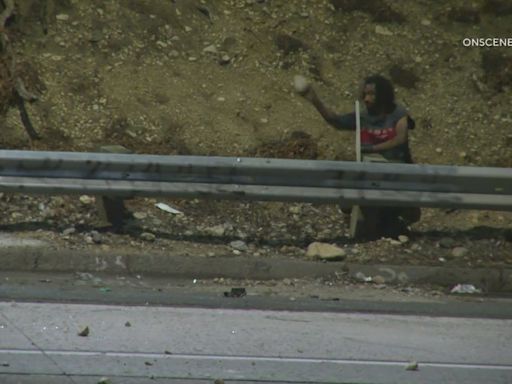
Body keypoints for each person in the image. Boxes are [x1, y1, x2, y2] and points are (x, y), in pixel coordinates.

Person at [299, 74, 421, 236]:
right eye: (365, 94)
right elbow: (335, 120)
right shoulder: (363, 117)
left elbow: (400, 138)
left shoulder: (398, 113)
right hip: (371, 177)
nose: (367, 98)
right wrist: (315, 100)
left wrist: (372, 148)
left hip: (397, 175)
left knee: (399, 220)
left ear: (383, 95)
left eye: (372, 94)